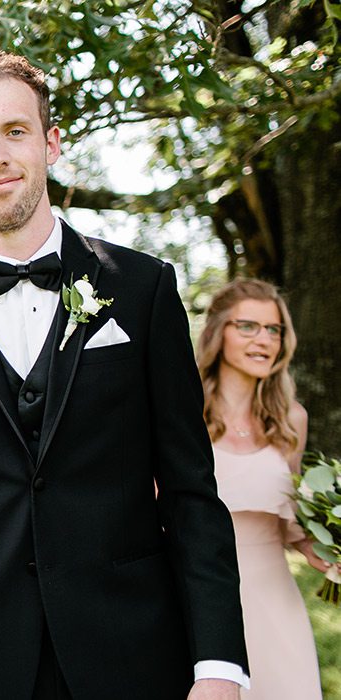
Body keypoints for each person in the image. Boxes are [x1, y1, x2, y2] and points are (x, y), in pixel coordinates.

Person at [0, 52, 249, 698]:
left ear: (51, 144)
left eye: (15, 132)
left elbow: (191, 491)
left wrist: (218, 664)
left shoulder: (144, 289)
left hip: (135, 654)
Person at [197, 278, 326, 699]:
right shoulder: (185, 414)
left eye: (274, 330)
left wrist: (322, 548)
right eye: (248, 326)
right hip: (201, 598)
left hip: (275, 600)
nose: (264, 340)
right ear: (219, 332)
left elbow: (290, 527)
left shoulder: (292, 421)